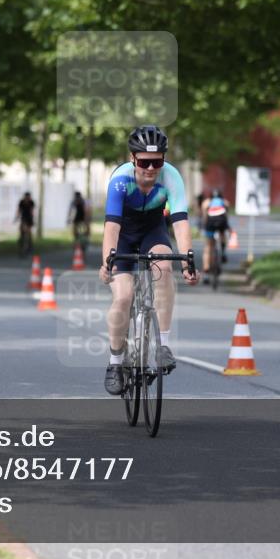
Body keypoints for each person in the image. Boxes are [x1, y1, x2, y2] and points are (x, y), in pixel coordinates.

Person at [99, 125, 199, 396]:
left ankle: (163, 345)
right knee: (123, 297)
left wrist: (188, 262)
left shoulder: (172, 177)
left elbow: (180, 223)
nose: (151, 168)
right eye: (144, 162)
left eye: (157, 162)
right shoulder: (120, 180)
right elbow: (111, 227)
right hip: (124, 233)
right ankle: (115, 363)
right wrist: (107, 261)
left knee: (164, 266)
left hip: (153, 230)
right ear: (133, 159)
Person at [200, 187, 231, 283]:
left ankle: (206, 273)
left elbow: (205, 216)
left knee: (208, 248)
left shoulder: (206, 203)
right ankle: (223, 251)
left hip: (210, 224)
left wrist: (204, 226)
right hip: (221, 223)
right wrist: (227, 226)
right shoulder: (224, 202)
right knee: (223, 235)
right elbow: (226, 215)